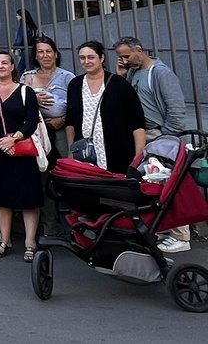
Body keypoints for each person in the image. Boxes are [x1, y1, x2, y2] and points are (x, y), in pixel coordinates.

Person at [114, 35, 191, 254]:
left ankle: (180, 235)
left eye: (127, 56)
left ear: (139, 50)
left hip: (159, 135)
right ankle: (164, 230)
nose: (125, 60)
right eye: (121, 57)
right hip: (144, 134)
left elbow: (176, 107)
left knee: (168, 183)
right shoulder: (133, 72)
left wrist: (166, 136)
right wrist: (122, 75)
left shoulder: (160, 73)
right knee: (153, 185)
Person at [0, 51, 44, 261]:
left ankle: (30, 242)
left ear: (13, 66)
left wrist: (13, 138)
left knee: (28, 197)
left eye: (5, 62)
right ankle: (4, 240)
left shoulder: (26, 92)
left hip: (22, 150)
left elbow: (32, 120)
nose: (1, 66)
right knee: (2, 196)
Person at [20, 35, 75, 237]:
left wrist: (64, 119)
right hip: (38, 134)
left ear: (55, 53)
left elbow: (77, 104)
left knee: (68, 175)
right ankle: (50, 226)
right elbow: (19, 104)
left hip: (62, 131)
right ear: (35, 55)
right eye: (40, 52)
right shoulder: (27, 77)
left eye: (48, 51)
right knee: (41, 179)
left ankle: (77, 223)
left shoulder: (67, 77)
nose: (45, 55)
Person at [66, 40, 146, 175]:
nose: (86, 61)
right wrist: (71, 151)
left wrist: (138, 157)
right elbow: (70, 122)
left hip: (118, 152)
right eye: (82, 58)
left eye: (91, 57)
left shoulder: (119, 84)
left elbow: (137, 122)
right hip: (85, 154)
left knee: (115, 191)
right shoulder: (74, 84)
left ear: (101, 58)